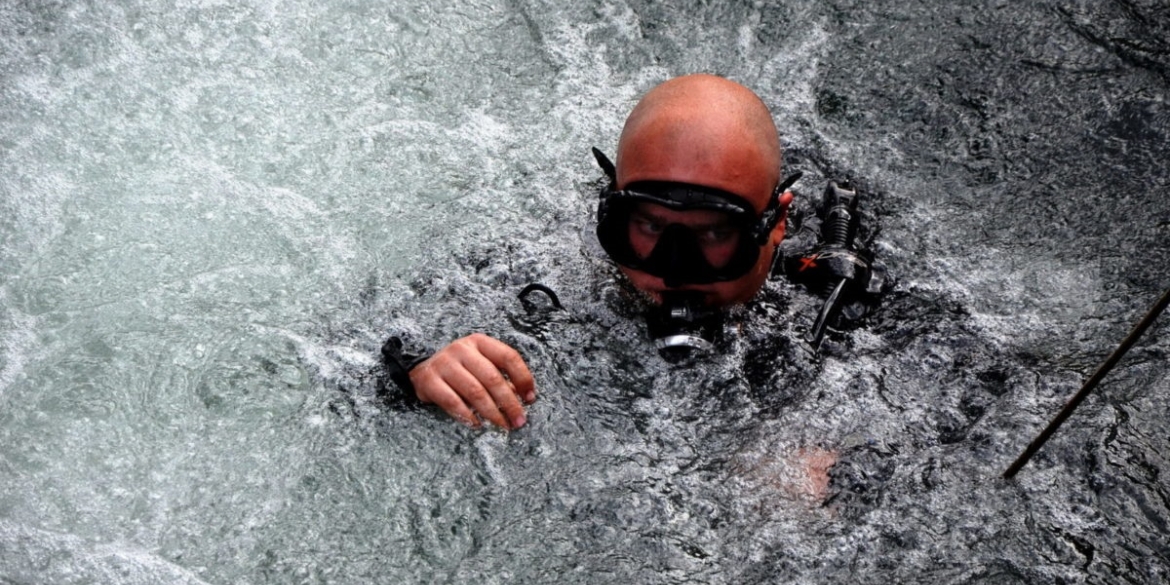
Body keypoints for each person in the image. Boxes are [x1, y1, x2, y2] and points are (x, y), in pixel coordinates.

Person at [383, 74, 882, 431]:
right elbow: (347, 356)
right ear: (610, 211)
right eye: (648, 225)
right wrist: (422, 369)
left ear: (777, 226)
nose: (673, 269)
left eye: (712, 234)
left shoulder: (842, 301)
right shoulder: (536, 268)